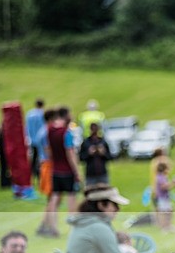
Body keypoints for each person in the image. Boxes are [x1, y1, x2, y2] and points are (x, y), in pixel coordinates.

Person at [38, 106, 81, 238]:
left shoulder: (49, 130)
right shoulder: (66, 132)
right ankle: (73, 227)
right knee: (71, 199)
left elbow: (47, 150)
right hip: (67, 170)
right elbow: (70, 153)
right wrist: (77, 171)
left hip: (54, 169)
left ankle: (53, 227)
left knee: (54, 198)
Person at [79, 122, 112, 187]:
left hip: (102, 172)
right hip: (90, 173)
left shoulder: (103, 142)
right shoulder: (86, 142)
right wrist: (89, 153)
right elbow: (81, 158)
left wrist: (103, 153)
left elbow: (109, 157)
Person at [154, 161, 175, 232]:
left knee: (169, 211)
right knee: (164, 212)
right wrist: (172, 183)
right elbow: (163, 187)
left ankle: (168, 225)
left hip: (165, 197)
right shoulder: (160, 177)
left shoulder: (163, 176)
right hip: (162, 198)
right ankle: (164, 227)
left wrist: (172, 185)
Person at [26, 99, 45, 182]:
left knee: (33, 158)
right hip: (41, 140)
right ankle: (40, 174)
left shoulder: (30, 114)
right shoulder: (42, 114)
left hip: (32, 139)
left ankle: (32, 174)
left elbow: (27, 127)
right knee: (41, 157)